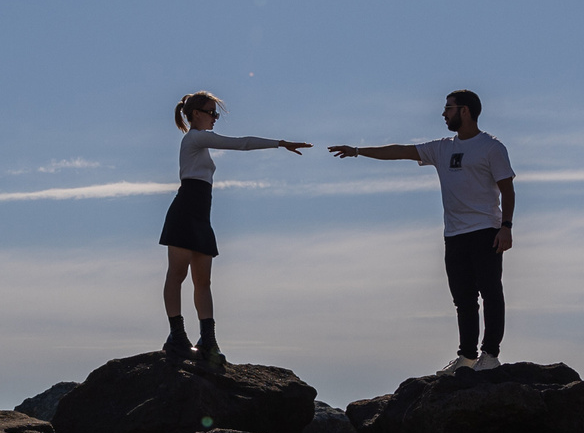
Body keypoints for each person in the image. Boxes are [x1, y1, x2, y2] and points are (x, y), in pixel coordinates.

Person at [329, 89, 515, 373]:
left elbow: (507, 189)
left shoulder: (491, 147)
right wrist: (357, 151)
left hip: (486, 230)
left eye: (448, 108)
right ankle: (466, 356)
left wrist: (506, 227)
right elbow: (401, 151)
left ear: (465, 111)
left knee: (490, 292)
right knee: (463, 299)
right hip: (454, 235)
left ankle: (490, 355)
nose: (444, 113)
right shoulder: (442, 147)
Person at [160, 91, 309, 370]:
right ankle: (177, 335)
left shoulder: (199, 143)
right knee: (177, 274)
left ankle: (208, 339)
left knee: (203, 282)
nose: (215, 118)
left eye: (216, 113)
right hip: (184, 213)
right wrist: (279, 143)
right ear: (195, 114)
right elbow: (241, 144)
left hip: (201, 215)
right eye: (211, 112)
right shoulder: (194, 138)